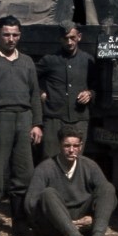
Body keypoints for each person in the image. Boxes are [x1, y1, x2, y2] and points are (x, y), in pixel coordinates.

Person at [0, 15, 43, 236]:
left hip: (24, 119)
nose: (11, 39)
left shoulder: (27, 62)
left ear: (20, 36)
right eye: (6, 34)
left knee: (23, 172)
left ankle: (19, 222)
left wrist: (36, 124)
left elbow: (34, 94)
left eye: (15, 35)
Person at [25, 125, 116, 236]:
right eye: (67, 146)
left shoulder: (89, 165)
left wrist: (93, 218)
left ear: (80, 146)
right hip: (55, 223)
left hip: (82, 220)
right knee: (48, 193)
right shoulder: (46, 168)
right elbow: (30, 204)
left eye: (75, 146)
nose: (71, 150)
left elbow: (109, 198)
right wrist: (65, 222)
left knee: (107, 187)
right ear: (60, 145)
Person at [37, 21, 96, 160]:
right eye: (65, 38)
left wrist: (90, 93)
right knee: (51, 158)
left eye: (72, 38)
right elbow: (30, 79)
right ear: (60, 39)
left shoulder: (87, 60)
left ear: (79, 37)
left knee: (74, 158)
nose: (69, 42)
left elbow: (97, 85)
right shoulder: (50, 60)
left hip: (78, 118)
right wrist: (40, 92)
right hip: (54, 119)